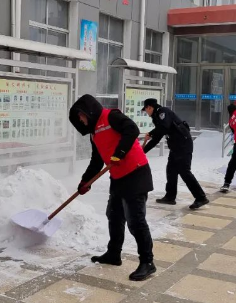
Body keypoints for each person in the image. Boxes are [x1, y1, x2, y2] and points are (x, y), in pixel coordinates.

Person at [69, 94, 156, 281]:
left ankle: (147, 262)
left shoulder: (111, 117)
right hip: (118, 177)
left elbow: (132, 129)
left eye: (81, 116)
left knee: (135, 220)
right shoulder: (94, 134)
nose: (81, 121)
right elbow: (96, 161)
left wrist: (120, 153)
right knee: (114, 215)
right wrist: (85, 181)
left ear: (88, 111)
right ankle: (114, 254)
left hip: (136, 172)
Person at [141, 98, 209, 209]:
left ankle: (201, 197)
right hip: (175, 146)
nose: (146, 112)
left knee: (184, 171)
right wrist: (143, 152)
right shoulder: (157, 117)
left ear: (149, 107)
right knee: (171, 170)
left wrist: (151, 133)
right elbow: (157, 137)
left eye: (146, 110)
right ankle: (170, 196)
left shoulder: (163, 112)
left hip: (183, 144)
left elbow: (164, 128)